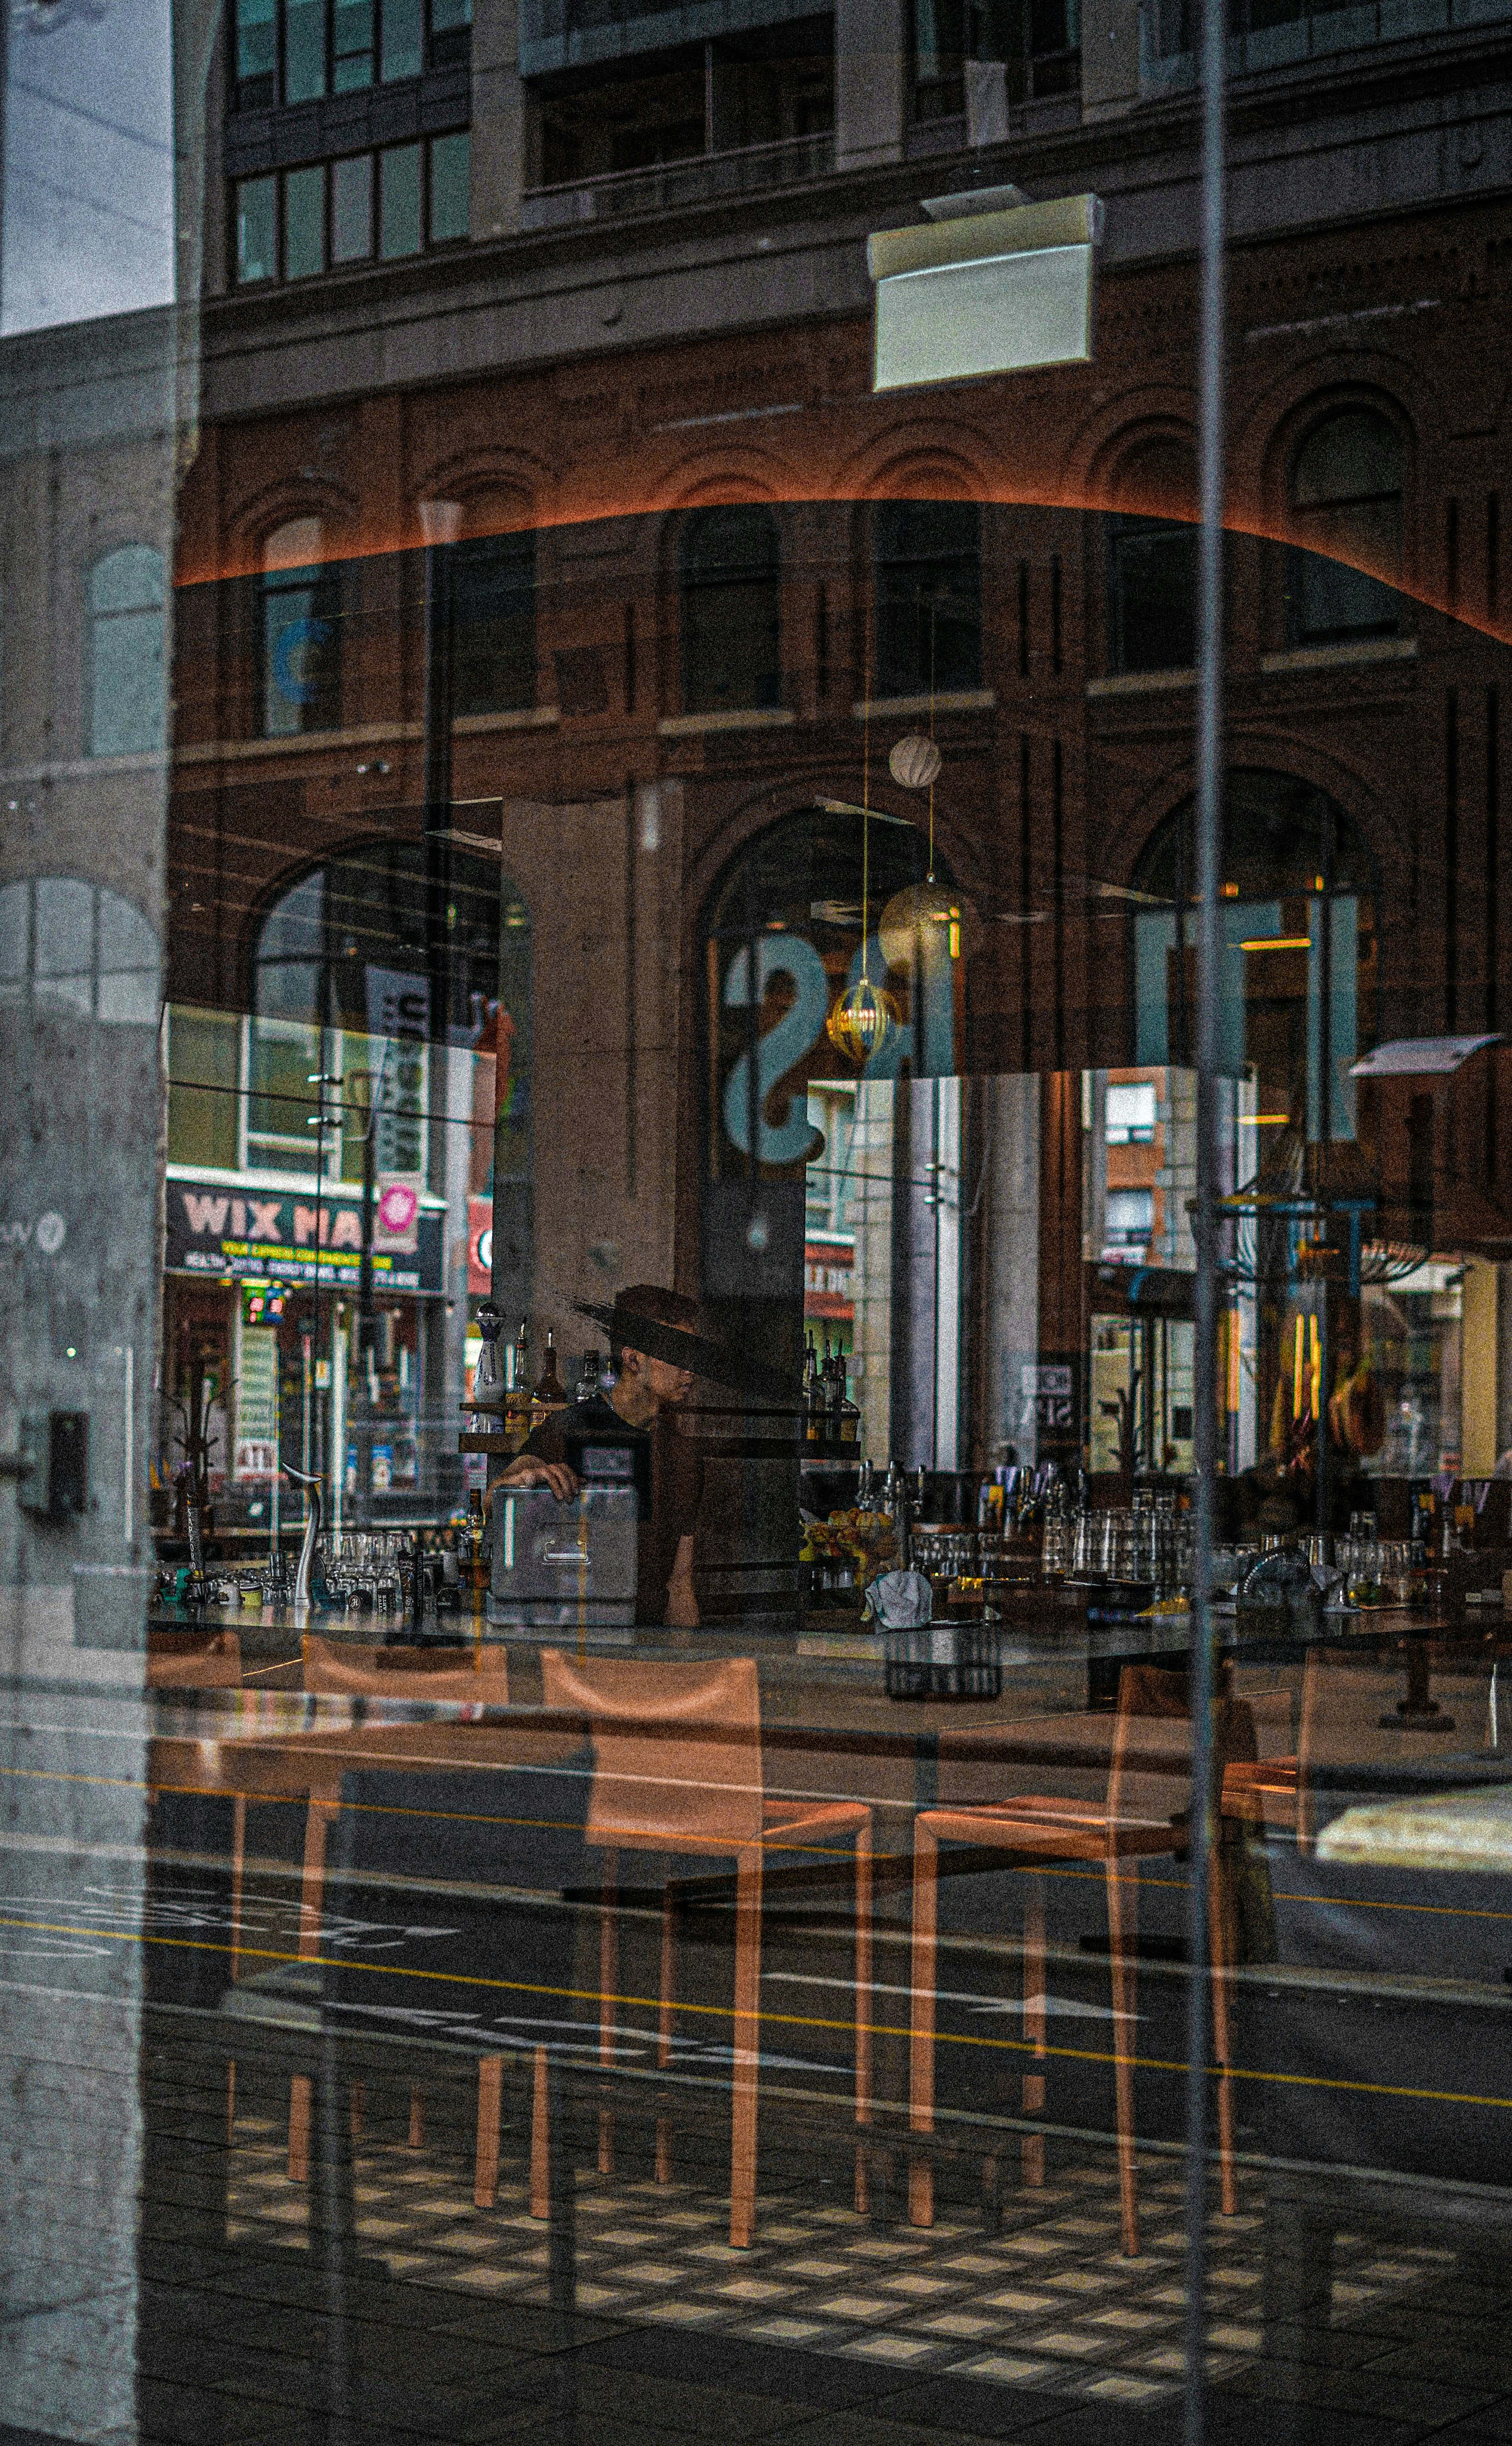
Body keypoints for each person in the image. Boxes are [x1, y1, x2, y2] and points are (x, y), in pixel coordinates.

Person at [490, 1285, 704, 1628]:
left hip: (646, 1646)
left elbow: (679, 1582)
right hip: (576, 1640)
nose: (690, 1369)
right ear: (634, 1359)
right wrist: (526, 1481)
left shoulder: (682, 1453)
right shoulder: (570, 1429)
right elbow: (492, 1499)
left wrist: (684, 1664)